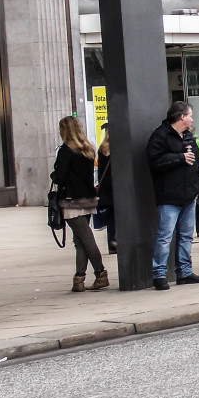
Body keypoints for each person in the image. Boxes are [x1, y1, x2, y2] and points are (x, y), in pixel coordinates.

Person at [146, 101, 199, 290]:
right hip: (169, 195)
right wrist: (180, 157)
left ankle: (185, 271)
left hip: (188, 193)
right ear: (181, 116)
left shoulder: (188, 136)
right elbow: (154, 161)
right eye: (189, 115)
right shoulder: (160, 135)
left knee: (186, 235)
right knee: (165, 236)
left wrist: (197, 183)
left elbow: (197, 162)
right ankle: (159, 274)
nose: (191, 118)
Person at [52, 116, 108, 292]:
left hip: (71, 200)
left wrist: (54, 175)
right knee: (80, 239)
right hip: (87, 197)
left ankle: (100, 273)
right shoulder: (88, 149)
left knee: (85, 238)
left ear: (65, 130)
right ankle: (79, 279)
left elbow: (60, 177)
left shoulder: (65, 151)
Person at [96, 125, 116, 255]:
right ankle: (116, 240)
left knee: (110, 218)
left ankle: (112, 244)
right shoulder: (116, 148)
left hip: (105, 188)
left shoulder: (102, 148)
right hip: (116, 187)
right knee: (119, 216)